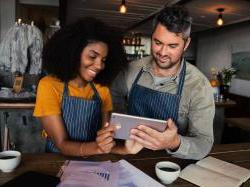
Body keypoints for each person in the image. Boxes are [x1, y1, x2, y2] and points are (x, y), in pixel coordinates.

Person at [111, 6, 215, 160]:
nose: (163, 52)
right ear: (152, 37)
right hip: (129, 156)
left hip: (171, 164)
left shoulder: (198, 85)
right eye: (157, 42)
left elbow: (204, 143)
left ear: (186, 44)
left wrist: (175, 143)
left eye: (172, 46)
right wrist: (122, 124)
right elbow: (114, 95)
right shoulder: (132, 69)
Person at [33, 18, 140, 156]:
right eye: (92, 56)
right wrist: (98, 148)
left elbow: (105, 142)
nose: (99, 65)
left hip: (94, 162)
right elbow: (61, 144)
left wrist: (126, 149)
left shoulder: (102, 89)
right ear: (74, 52)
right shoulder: (49, 86)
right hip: (56, 162)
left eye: (103, 60)